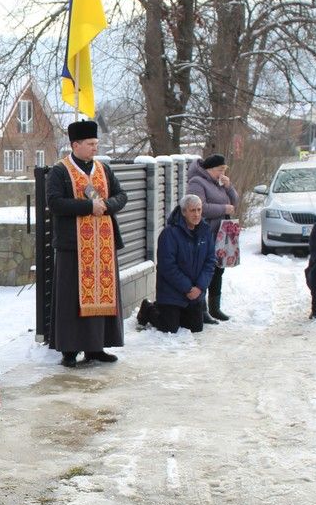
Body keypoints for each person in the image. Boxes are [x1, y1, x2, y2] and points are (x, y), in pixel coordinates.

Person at [46, 119, 128, 366]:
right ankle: (69, 350)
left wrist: (107, 206)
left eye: (96, 143)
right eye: (91, 144)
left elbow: (121, 195)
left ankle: (96, 347)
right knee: (71, 298)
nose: (95, 148)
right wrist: (87, 206)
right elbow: (55, 202)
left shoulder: (103, 169)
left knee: (102, 294)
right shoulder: (60, 170)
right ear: (76, 144)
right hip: (74, 246)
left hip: (102, 243)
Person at [137, 195, 216, 333]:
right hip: (171, 291)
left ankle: (174, 312)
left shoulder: (205, 231)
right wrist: (187, 288)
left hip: (195, 292)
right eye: (192, 210)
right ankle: (148, 309)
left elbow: (210, 262)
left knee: (196, 328)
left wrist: (199, 287)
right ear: (184, 211)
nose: (197, 214)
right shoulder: (169, 234)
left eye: (199, 210)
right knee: (169, 328)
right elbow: (167, 267)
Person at [184, 154, 238, 323]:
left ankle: (215, 308)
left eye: (224, 170)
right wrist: (223, 208)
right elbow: (200, 209)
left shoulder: (219, 183)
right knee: (205, 270)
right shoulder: (197, 183)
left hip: (221, 234)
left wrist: (229, 187)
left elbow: (234, 202)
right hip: (205, 234)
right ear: (210, 169)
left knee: (218, 270)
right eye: (219, 170)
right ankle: (202, 309)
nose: (222, 174)